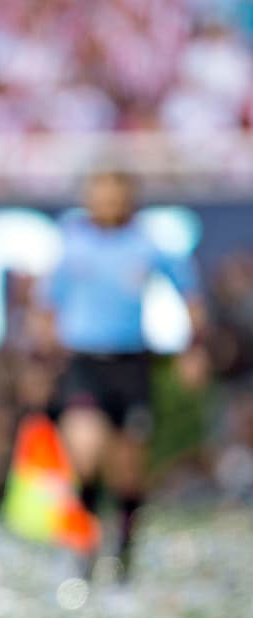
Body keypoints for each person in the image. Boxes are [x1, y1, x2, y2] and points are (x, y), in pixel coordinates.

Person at [38, 167, 206, 582]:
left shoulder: (147, 244)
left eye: (116, 194)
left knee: (128, 468)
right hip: (84, 363)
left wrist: (192, 349)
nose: (108, 202)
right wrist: (42, 356)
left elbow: (189, 297)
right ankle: (87, 544)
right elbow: (47, 305)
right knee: (85, 450)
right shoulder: (72, 243)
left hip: (132, 363)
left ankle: (124, 551)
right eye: (100, 193)